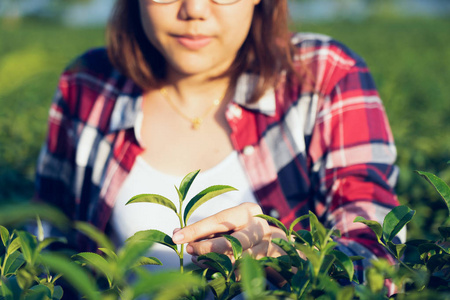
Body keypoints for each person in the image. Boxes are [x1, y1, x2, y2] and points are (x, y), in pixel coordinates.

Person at [35, 0, 402, 291]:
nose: (193, 9)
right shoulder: (87, 84)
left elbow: (379, 256)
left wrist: (292, 256)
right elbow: (48, 248)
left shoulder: (324, 75)